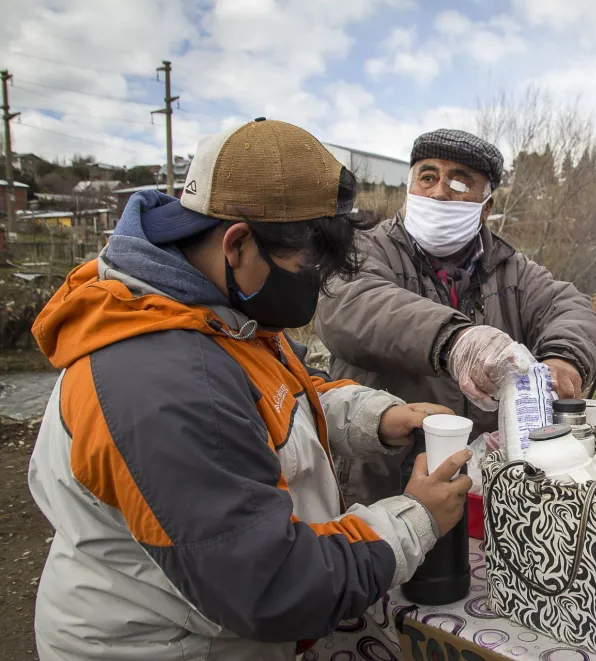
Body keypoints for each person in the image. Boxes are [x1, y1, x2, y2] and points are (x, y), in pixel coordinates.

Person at [28, 118, 471, 661]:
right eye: (308, 266)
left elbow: (279, 397)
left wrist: (374, 416)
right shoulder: (162, 380)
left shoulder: (214, 307)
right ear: (237, 243)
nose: (315, 283)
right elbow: (276, 585)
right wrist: (417, 518)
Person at [316, 128, 596, 505]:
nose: (438, 192)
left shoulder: (511, 270)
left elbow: (570, 307)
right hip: (376, 482)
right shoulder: (364, 249)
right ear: (410, 188)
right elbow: (348, 305)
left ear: (485, 206)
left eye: (458, 181)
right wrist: (454, 340)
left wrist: (564, 357)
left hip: (477, 486)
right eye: (428, 177)